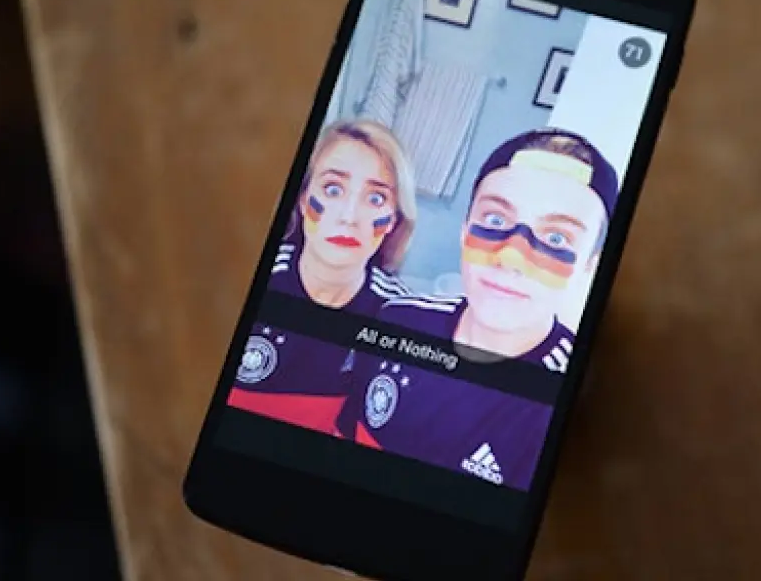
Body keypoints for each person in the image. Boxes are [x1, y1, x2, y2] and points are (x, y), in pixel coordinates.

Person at [336, 128, 618, 486]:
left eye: (556, 238)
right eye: (495, 220)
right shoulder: (395, 319)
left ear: (590, 265)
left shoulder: (577, 404)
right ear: (465, 229)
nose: (510, 257)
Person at [228, 121, 419, 435]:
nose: (349, 217)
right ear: (304, 200)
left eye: (375, 198)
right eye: (333, 189)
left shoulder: (399, 316)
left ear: (392, 221)